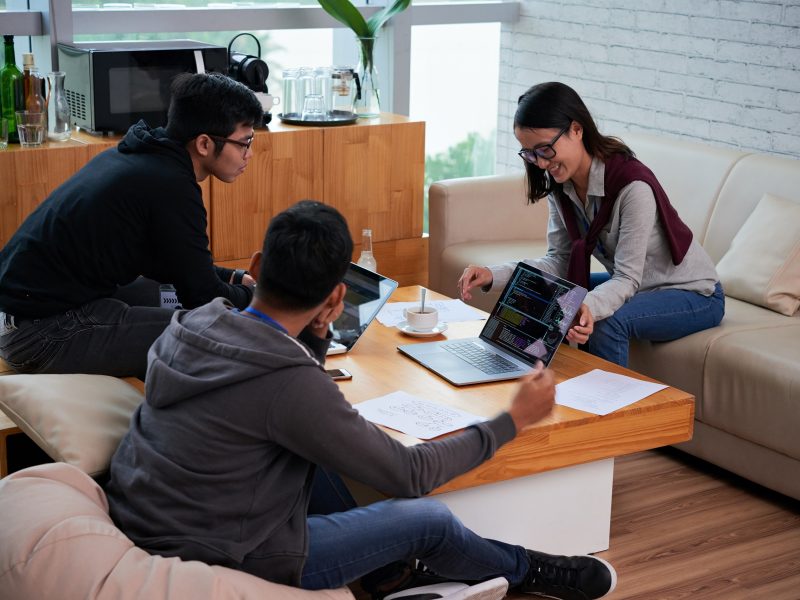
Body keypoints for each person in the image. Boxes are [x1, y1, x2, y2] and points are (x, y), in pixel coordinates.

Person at [104, 200, 617, 600]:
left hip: (146, 515)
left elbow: (286, 388)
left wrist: (317, 332)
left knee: (324, 450)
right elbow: (410, 474)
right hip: (230, 554)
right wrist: (512, 420)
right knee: (428, 518)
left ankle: (393, 573)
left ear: (257, 266)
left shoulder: (192, 322)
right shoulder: (288, 384)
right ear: (334, 300)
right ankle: (530, 569)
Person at [0, 72, 263, 379]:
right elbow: (202, 297)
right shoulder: (171, 185)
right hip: (39, 336)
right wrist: (261, 300)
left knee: (162, 293)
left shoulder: (140, 155)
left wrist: (233, 277)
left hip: (22, 316)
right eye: (245, 143)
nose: (250, 153)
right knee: (210, 332)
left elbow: (176, 264)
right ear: (204, 143)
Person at [459, 82, 724, 367]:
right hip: (640, 287)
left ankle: (604, 407)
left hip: (693, 294)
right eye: (530, 153)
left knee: (606, 321)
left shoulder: (632, 187)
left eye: (545, 149)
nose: (540, 163)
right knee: (544, 292)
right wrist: (491, 274)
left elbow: (627, 278)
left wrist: (589, 306)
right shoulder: (563, 187)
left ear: (576, 129)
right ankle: (531, 388)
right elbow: (559, 262)